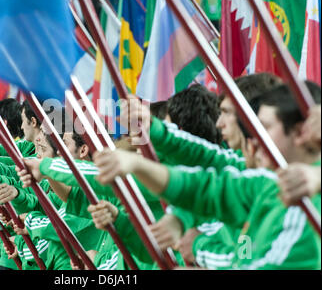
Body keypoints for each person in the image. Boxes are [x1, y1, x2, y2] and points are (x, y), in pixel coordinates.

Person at [93, 82, 321, 269]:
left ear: (302, 131)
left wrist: (198, 245)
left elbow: (243, 260)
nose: (255, 137)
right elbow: (205, 186)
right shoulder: (263, 182)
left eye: (264, 127)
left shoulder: (299, 198)